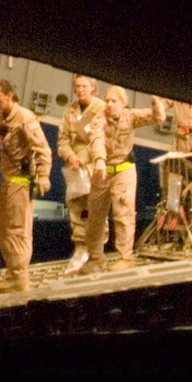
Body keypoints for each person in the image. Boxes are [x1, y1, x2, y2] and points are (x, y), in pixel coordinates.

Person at [0, 81, 53, 293]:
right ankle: (13, 271)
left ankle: (19, 276)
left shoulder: (25, 118)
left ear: (10, 95)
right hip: (7, 181)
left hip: (21, 183)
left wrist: (43, 175)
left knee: (17, 230)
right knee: (4, 229)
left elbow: (43, 149)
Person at [85, 88, 164, 270]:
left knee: (123, 215)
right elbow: (96, 138)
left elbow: (157, 118)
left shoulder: (131, 116)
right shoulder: (98, 118)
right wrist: (99, 160)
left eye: (113, 101)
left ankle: (125, 258)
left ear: (123, 103)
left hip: (124, 170)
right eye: (107, 100)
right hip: (102, 170)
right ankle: (95, 258)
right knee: (95, 216)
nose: (109, 104)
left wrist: (156, 103)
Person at [59, 76, 106, 274]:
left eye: (84, 86)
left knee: (95, 210)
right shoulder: (69, 111)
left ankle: (96, 253)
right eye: (77, 86)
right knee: (77, 208)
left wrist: (82, 157)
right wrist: (70, 155)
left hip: (95, 164)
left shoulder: (101, 108)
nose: (80, 90)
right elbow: (62, 140)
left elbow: (101, 137)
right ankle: (80, 249)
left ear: (93, 88)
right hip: (75, 168)